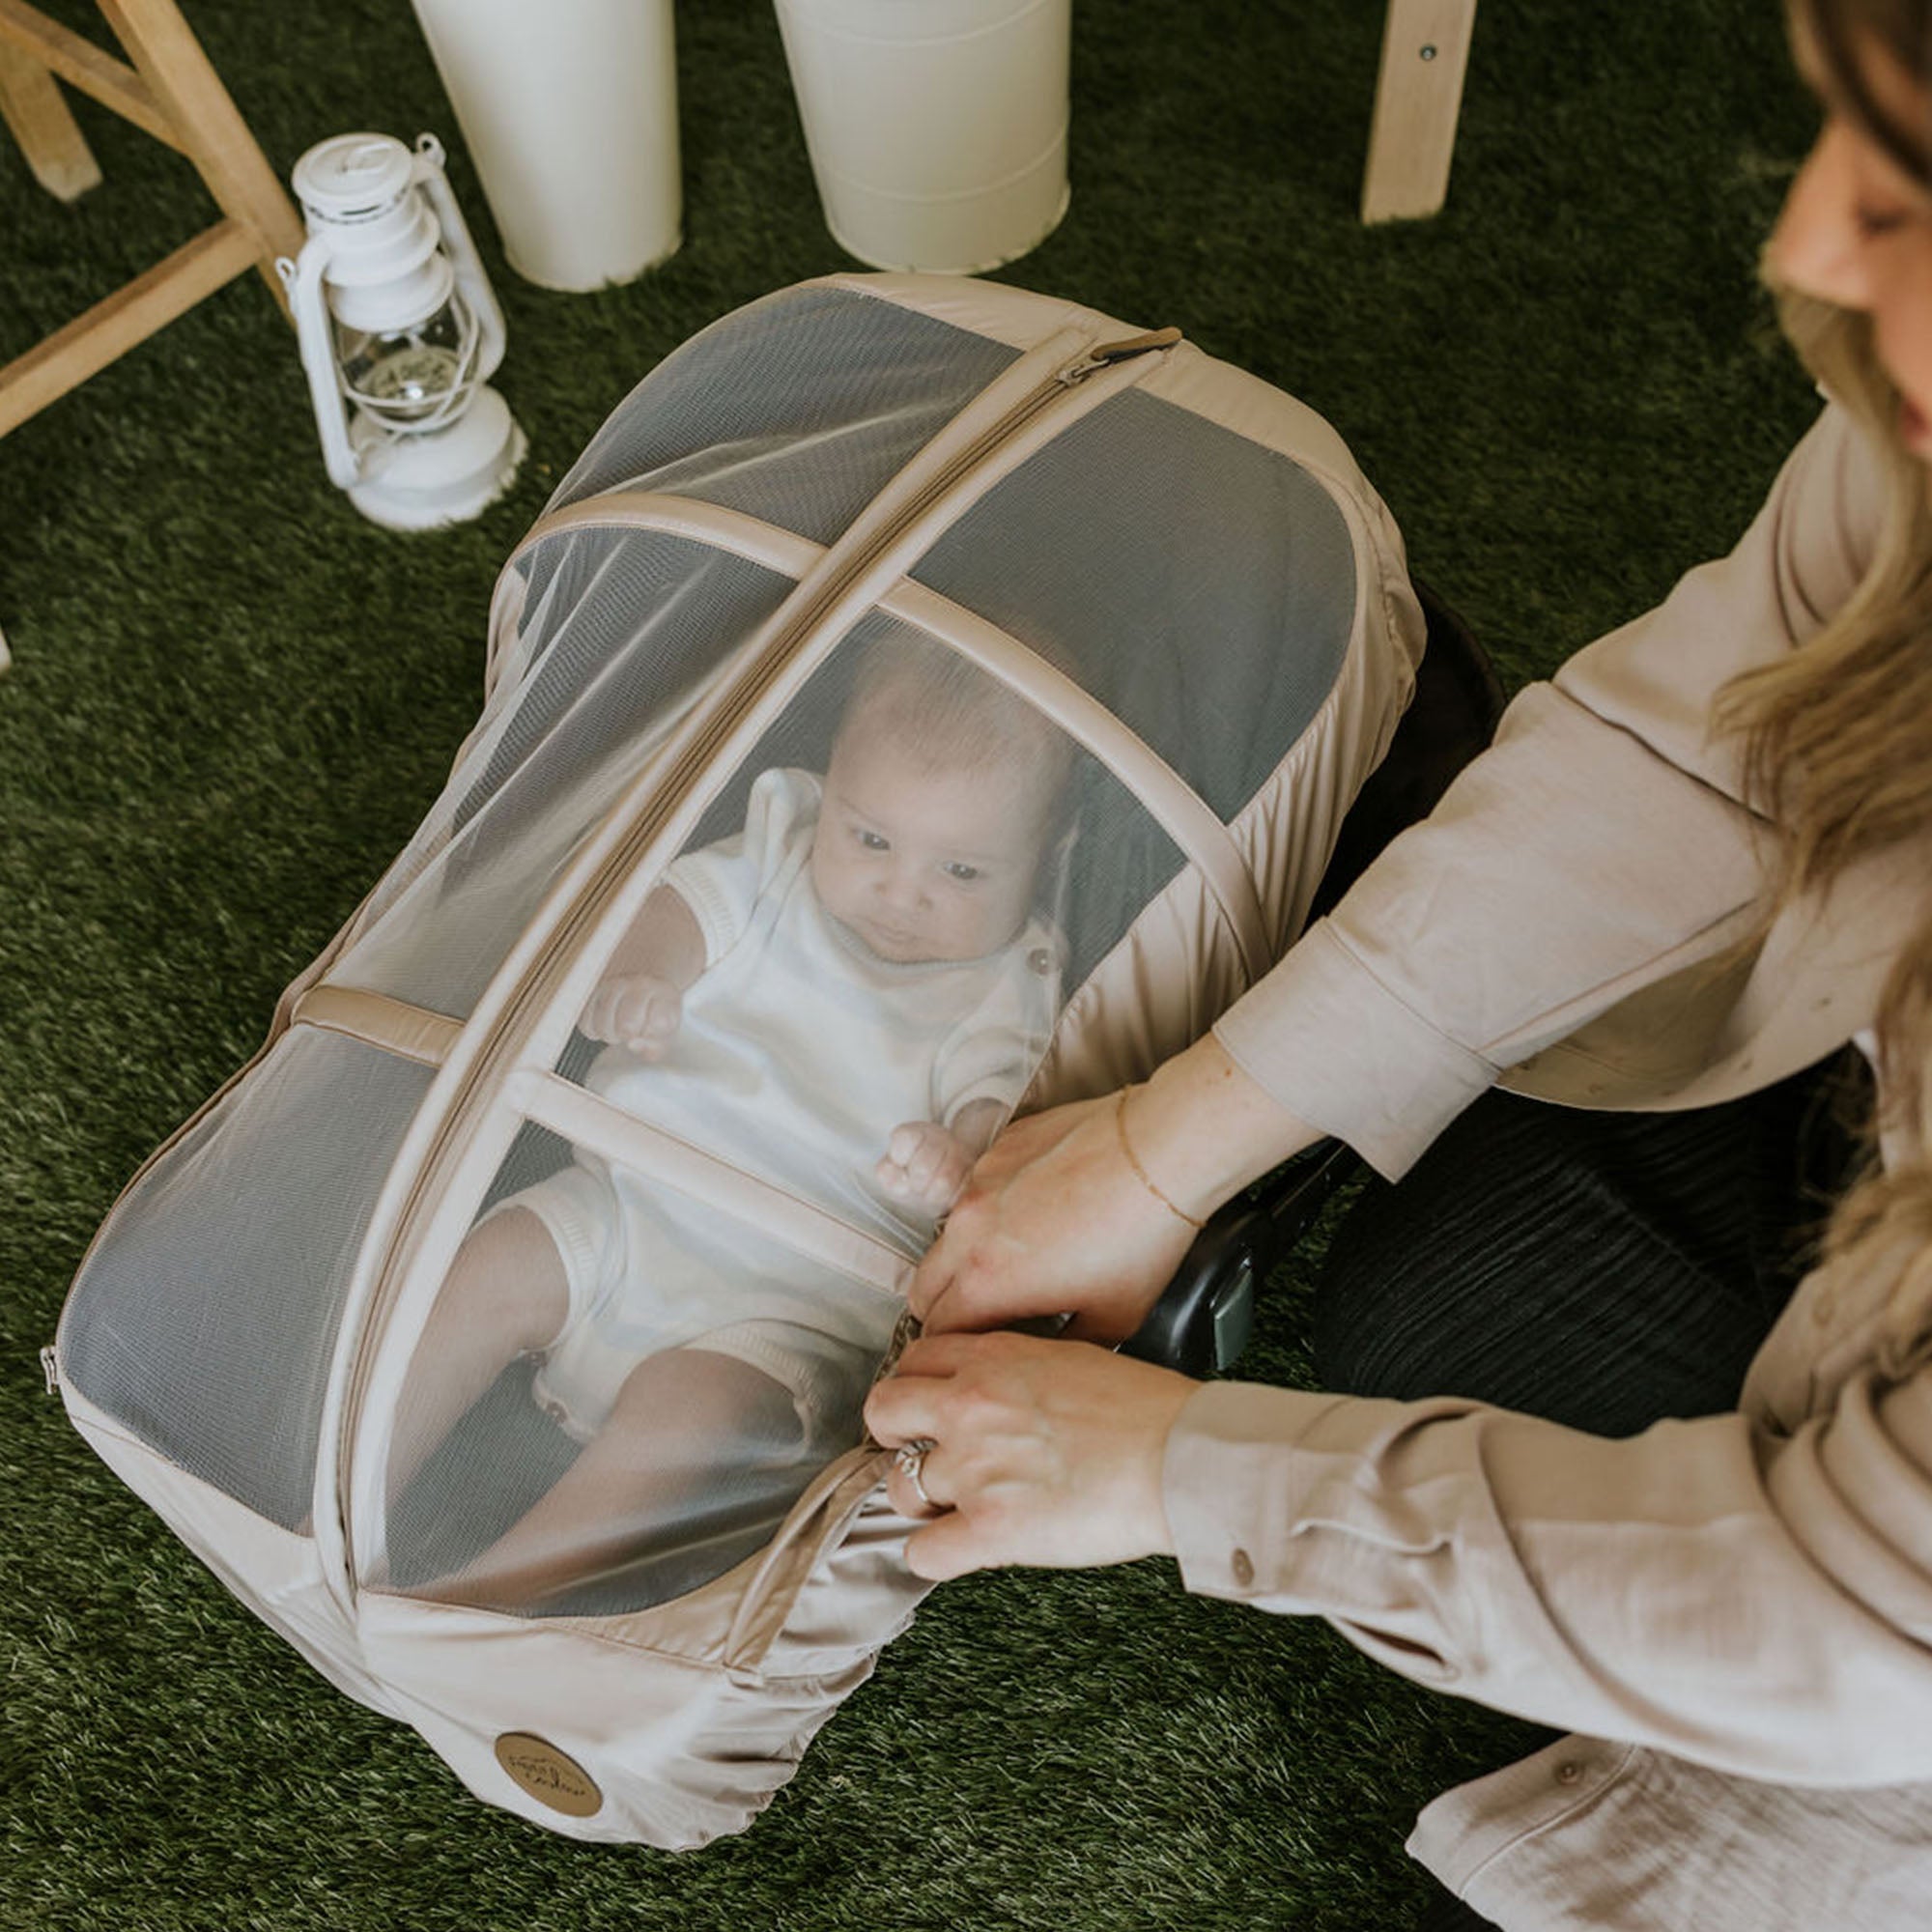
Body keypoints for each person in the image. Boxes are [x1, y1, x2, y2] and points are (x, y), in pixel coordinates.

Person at [864, 2, 1932, 1925]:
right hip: (1858, 1115)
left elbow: (1862, 1633)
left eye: (1911, 191)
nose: (1803, 247)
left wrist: (1184, 1478)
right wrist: (1160, 1148)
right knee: (1429, 1336)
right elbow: (1717, 732)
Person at [392, 638, 1070, 1609]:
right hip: (628, 1204)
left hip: (788, 1303)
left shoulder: (1005, 981)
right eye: (870, 838)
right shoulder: (776, 855)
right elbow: (675, 910)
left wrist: (956, 1154)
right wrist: (643, 975)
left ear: (1040, 862)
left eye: (961, 870)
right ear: (827, 790)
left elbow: (995, 1113)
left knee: (698, 1413)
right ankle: (345, 1483)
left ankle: (491, 1592)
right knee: (490, 1262)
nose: (901, 891)